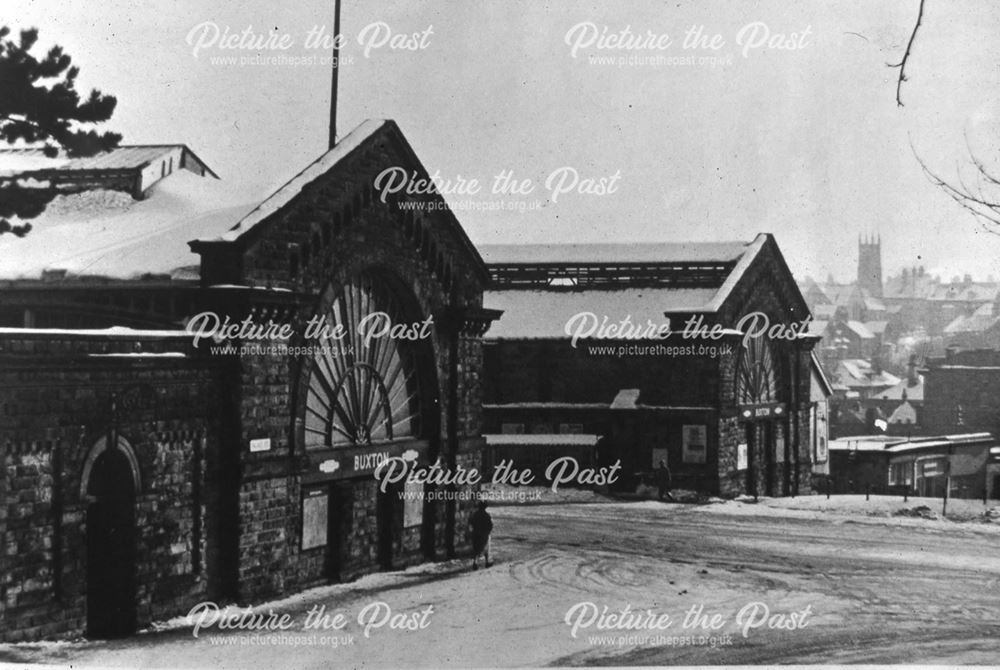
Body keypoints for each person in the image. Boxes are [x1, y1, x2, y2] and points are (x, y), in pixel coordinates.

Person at [470, 500, 493, 570]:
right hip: (484, 534)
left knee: (476, 549)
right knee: (486, 548)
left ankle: (475, 562)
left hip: (476, 533)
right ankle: (487, 562)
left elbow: (472, 522)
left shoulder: (475, 514)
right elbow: (490, 525)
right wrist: (488, 532)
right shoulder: (487, 515)